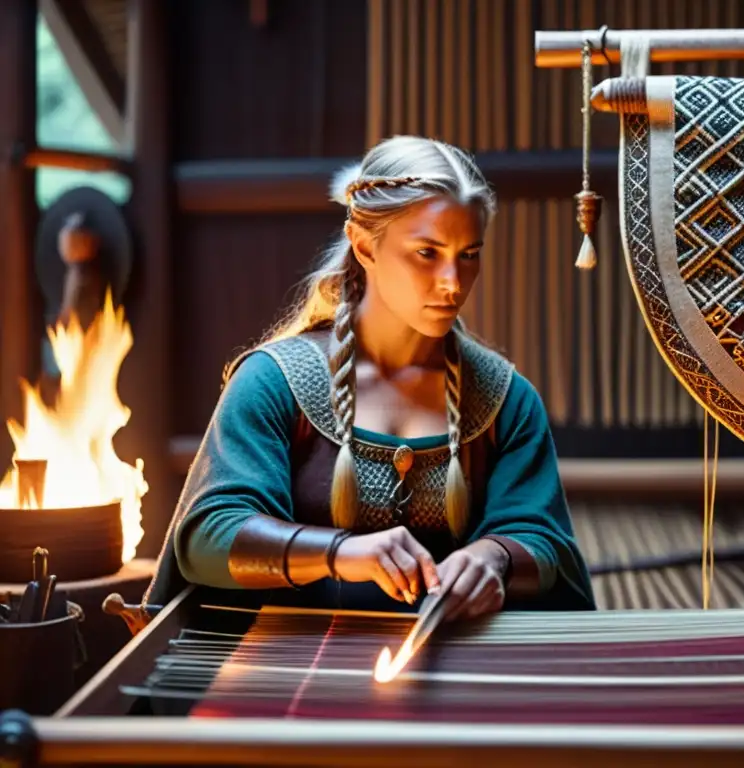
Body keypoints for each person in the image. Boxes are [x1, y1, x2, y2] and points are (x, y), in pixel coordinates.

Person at [144, 135, 596, 621]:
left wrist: (497, 558)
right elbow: (210, 535)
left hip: (456, 670)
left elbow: (546, 544)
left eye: (469, 254)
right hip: (288, 671)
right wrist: (340, 552)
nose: (453, 282)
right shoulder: (275, 383)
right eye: (428, 252)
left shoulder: (505, 400)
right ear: (364, 244)